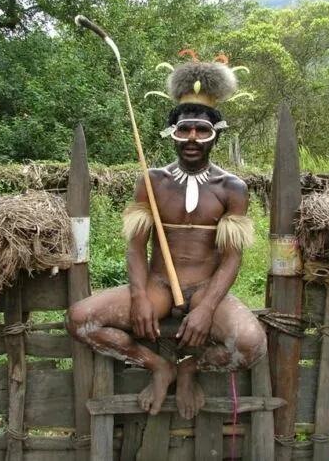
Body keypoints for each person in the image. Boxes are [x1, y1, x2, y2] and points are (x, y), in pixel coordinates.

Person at [66, 56, 267, 420]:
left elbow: (233, 257)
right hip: (158, 284)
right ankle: (158, 366)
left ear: (215, 134)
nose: (192, 139)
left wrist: (206, 307)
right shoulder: (152, 180)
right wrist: (140, 295)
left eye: (201, 131)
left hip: (207, 287)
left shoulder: (232, 188)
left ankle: (190, 367)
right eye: (185, 129)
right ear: (173, 132)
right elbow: (135, 246)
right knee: (80, 320)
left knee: (251, 346)